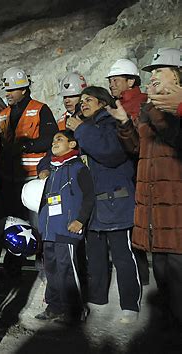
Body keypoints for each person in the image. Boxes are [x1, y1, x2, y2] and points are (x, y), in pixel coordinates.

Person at [111, 47, 182, 327]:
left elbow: (175, 141)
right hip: (156, 204)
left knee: (177, 272)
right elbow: (138, 150)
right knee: (162, 270)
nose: (152, 78)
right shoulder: (151, 109)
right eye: (151, 73)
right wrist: (125, 125)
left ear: (177, 76)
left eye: (159, 72)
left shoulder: (168, 111)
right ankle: (165, 329)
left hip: (176, 206)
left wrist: (163, 111)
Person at [66, 86, 141, 324]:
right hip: (94, 204)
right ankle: (98, 299)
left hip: (115, 199)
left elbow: (111, 153)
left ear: (102, 103)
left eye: (89, 99)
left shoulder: (109, 124)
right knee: (95, 255)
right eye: (82, 100)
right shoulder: (85, 128)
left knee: (122, 254)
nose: (84, 103)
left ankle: (130, 304)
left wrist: (81, 130)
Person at [0, 67, 58, 279]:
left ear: (23, 89)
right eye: (6, 91)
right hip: (10, 180)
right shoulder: (3, 115)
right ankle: (12, 271)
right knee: (13, 226)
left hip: (33, 180)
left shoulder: (40, 109)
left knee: (37, 227)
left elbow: (51, 138)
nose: (8, 94)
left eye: (12, 90)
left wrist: (26, 146)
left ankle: (45, 274)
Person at [35, 130, 94, 323]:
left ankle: (75, 310)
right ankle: (55, 306)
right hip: (49, 229)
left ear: (72, 144)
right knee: (51, 269)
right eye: (52, 140)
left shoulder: (78, 168)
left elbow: (89, 196)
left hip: (67, 228)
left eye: (59, 139)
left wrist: (80, 220)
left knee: (67, 269)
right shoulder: (51, 169)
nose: (54, 143)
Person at [107, 58, 150, 285]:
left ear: (131, 80)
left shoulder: (141, 104)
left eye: (116, 79)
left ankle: (141, 279)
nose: (112, 84)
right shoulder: (116, 104)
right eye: (111, 80)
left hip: (134, 170)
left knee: (135, 227)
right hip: (123, 172)